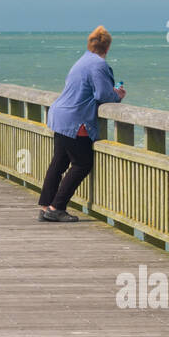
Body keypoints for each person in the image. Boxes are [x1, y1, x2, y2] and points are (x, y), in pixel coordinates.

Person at [37, 26, 125, 222]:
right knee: (82, 164)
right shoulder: (98, 65)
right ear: (107, 47)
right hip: (75, 119)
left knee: (59, 163)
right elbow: (102, 95)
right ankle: (56, 207)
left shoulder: (83, 60)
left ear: (90, 44)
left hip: (60, 115)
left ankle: (45, 206)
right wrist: (117, 95)